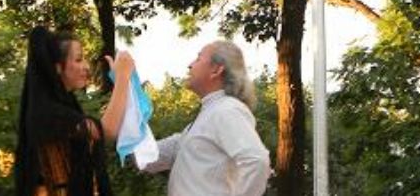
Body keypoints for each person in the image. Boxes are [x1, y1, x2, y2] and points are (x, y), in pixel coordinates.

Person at [15, 26, 134, 196]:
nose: (86, 66)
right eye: (78, 60)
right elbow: (105, 130)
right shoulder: (50, 114)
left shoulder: (61, 109)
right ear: (57, 67)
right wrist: (123, 77)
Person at [142, 40, 271, 196]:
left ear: (216, 70)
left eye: (198, 59)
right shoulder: (207, 116)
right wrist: (124, 121)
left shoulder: (227, 110)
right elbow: (150, 158)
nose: (190, 65)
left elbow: (257, 161)